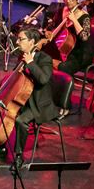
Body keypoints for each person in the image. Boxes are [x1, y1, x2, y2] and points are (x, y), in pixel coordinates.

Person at [6, 29, 57, 168]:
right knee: (3, 110)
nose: (17, 42)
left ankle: (19, 155)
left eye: (21, 39)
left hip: (38, 104)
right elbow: (15, 77)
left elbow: (43, 79)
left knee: (21, 120)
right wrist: (0, 86)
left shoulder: (44, 59)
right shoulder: (22, 56)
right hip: (23, 99)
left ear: (32, 42)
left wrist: (31, 62)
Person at [43, 0, 92, 76]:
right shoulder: (61, 10)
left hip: (79, 53)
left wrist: (74, 21)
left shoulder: (85, 17)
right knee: (39, 54)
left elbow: (85, 38)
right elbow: (51, 26)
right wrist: (48, 32)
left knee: (63, 67)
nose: (68, 1)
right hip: (61, 47)